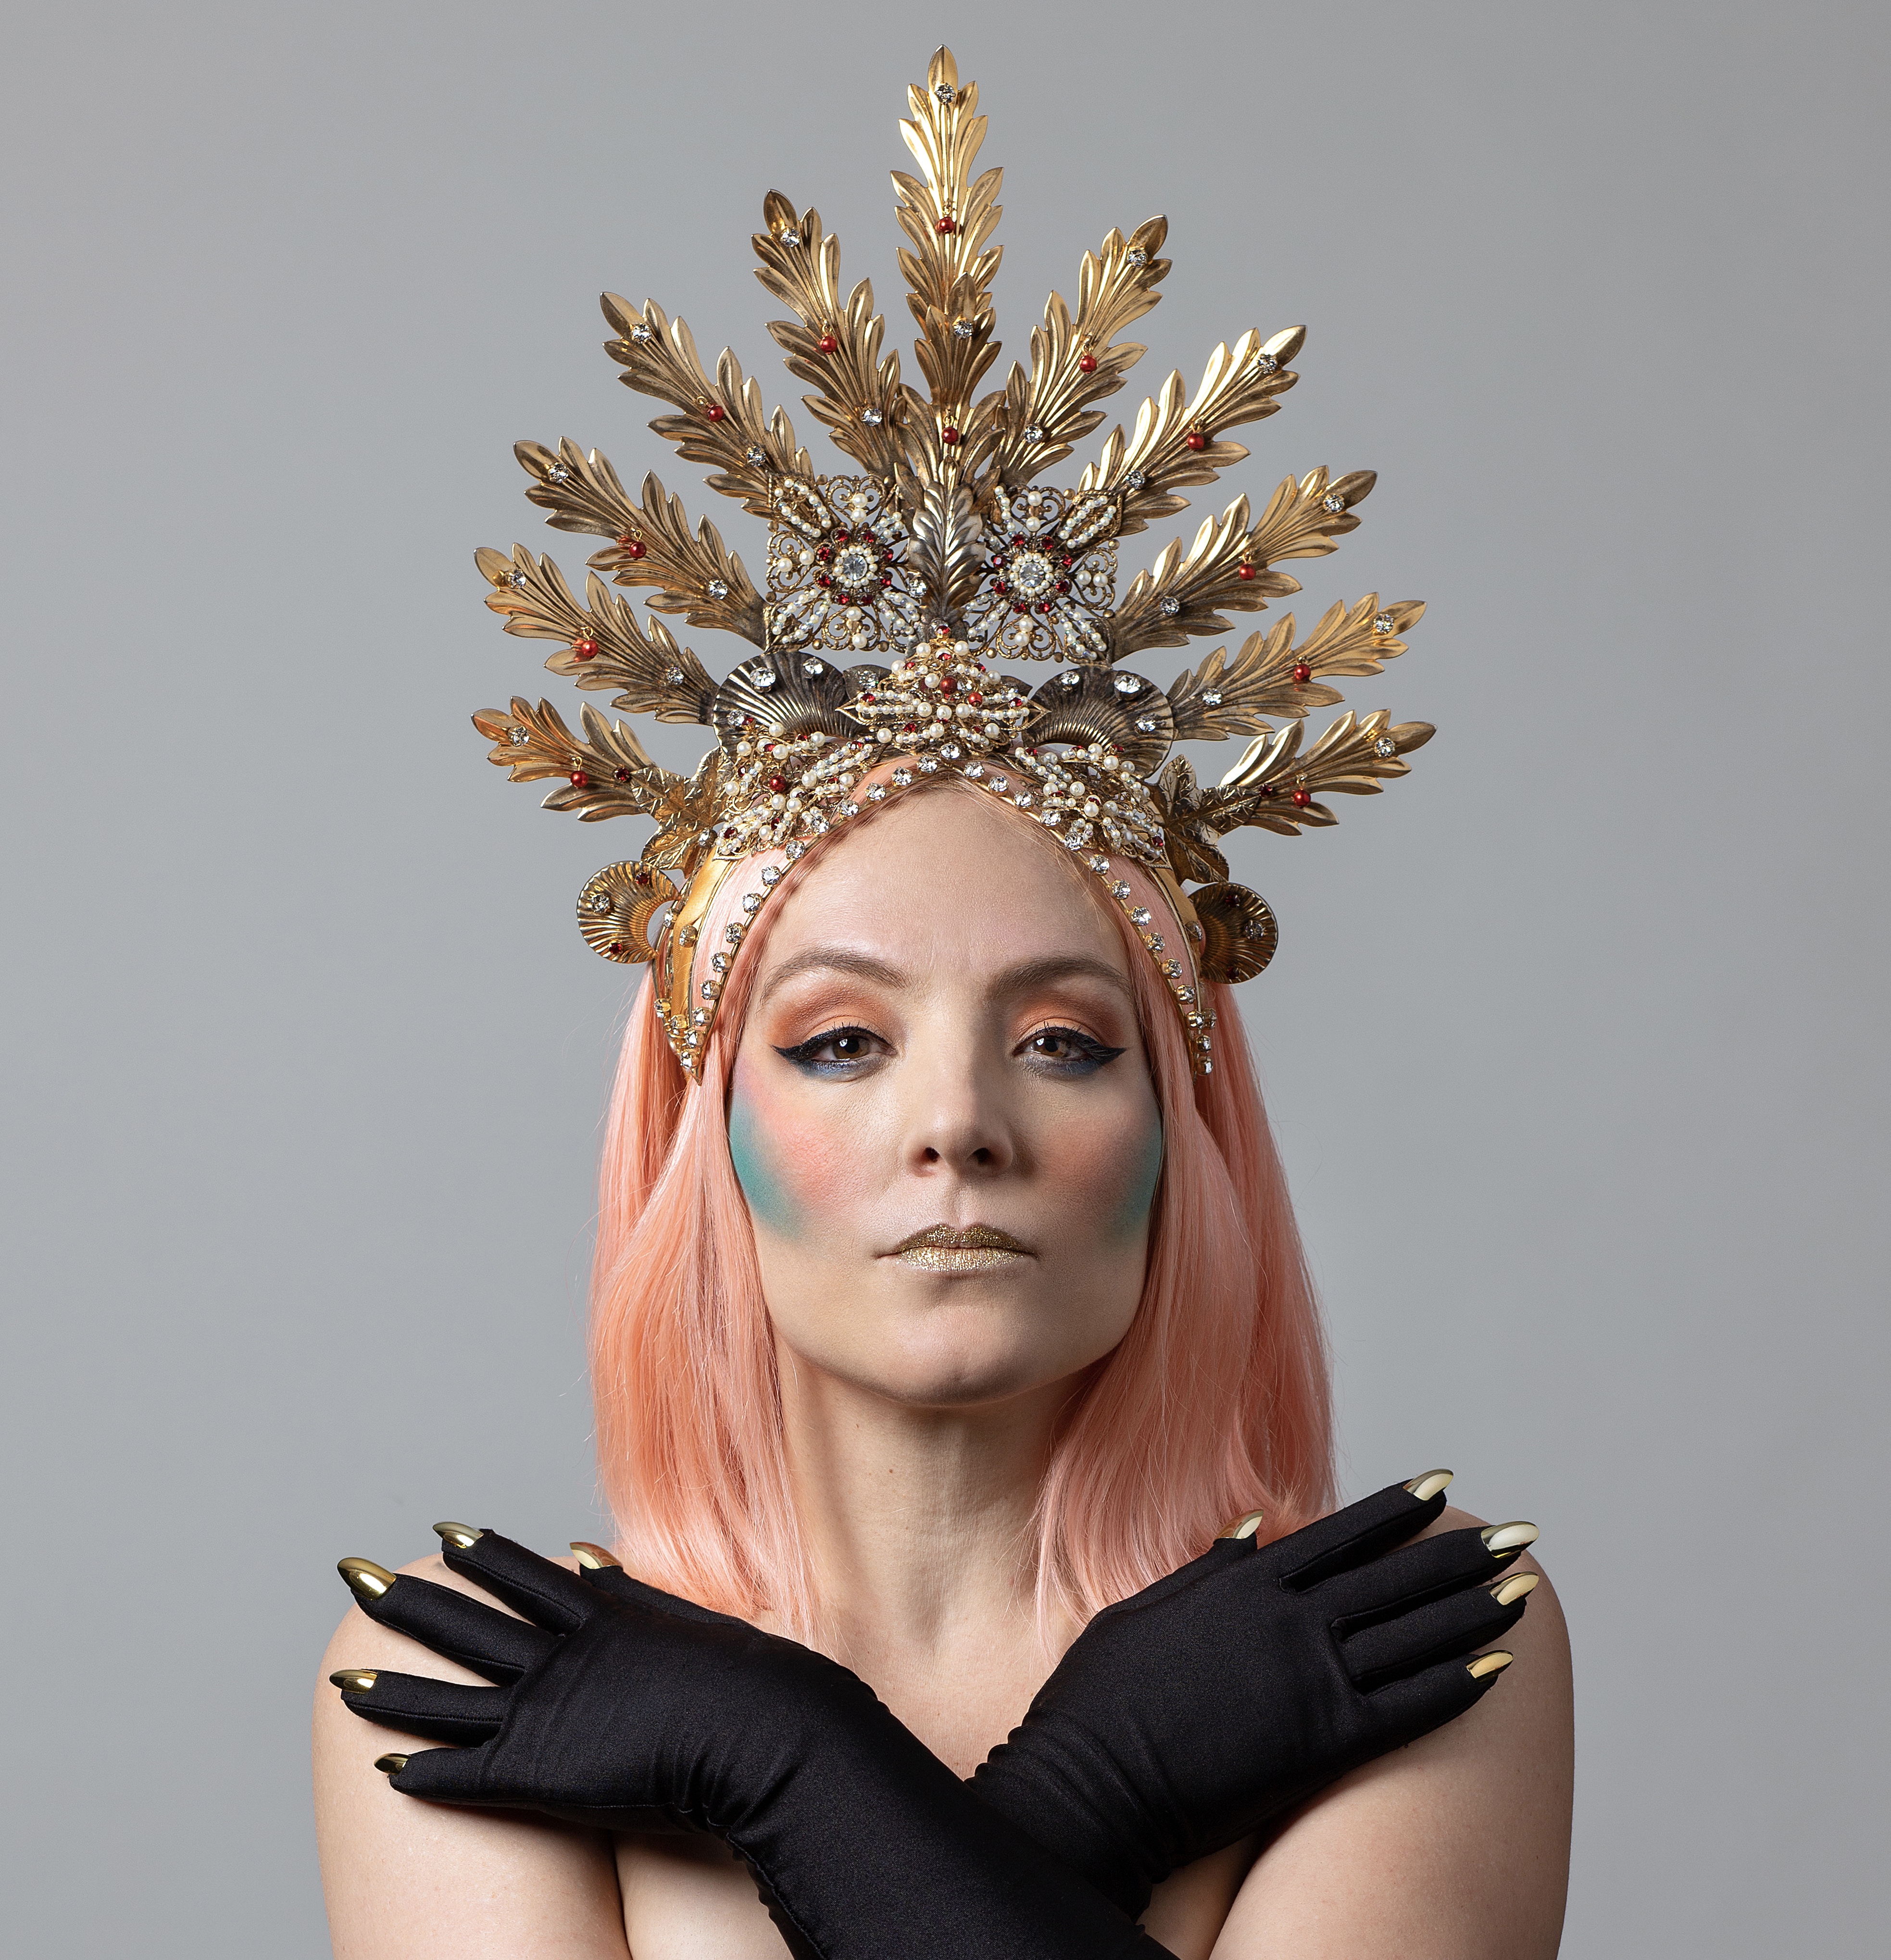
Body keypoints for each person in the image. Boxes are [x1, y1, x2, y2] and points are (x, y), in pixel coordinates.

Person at [313, 46, 1573, 1960]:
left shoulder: (1402, 1645)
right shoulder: (478, 1687)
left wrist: (806, 1783)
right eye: (840, 1042)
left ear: (1183, 1131)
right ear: (706, 1135)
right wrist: (888, 1769)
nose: (960, 1124)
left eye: (1063, 1042)